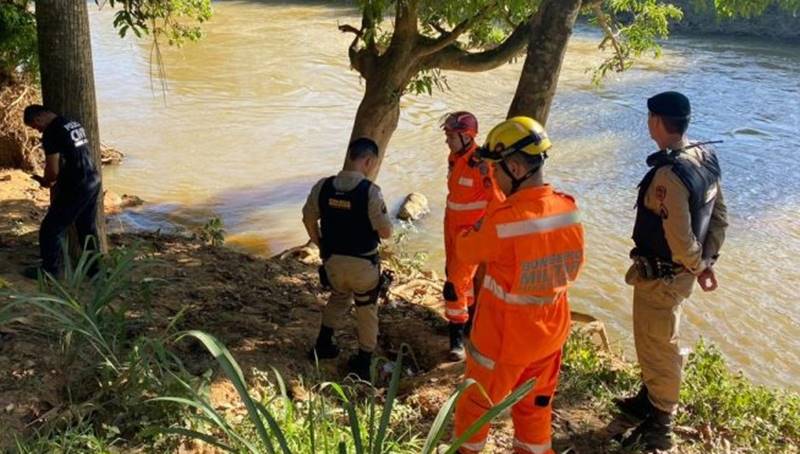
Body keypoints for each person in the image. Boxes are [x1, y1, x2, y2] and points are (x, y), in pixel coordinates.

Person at [451, 117, 585, 454]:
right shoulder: (568, 209)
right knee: (535, 410)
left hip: (503, 341)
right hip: (549, 337)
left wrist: (491, 211)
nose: (493, 176)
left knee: (475, 410)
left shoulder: (504, 221)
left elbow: (465, 249)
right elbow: (573, 266)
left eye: (496, 169)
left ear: (514, 167)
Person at [615, 91, 728, 450]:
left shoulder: (669, 175)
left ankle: (661, 425)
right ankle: (649, 398)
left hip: (664, 277)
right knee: (654, 340)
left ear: (656, 121)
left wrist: (698, 265)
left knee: (660, 345)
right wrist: (707, 261)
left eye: (649, 118)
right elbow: (719, 216)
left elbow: (679, 239)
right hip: (679, 273)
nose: (648, 123)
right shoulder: (704, 156)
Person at [302, 137, 393, 380]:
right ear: (368, 161)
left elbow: (308, 218)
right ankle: (363, 362)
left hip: (333, 262)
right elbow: (386, 232)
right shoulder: (370, 192)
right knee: (366, 307)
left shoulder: (323, 186)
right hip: (363, 265)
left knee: (339, 296)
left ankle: (323, 344)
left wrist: (320, 244)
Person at [440, 111, 503, 361]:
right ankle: (468, 324)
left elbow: (496, 201)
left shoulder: (482, 165)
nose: (447, 141)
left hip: (469, 234)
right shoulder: (454, 158)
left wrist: (482, 229)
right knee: (455, 276)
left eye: (450, 136)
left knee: (454, 286)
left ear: (467, 137)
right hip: (451, 226)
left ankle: (456, 340)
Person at [22, 105, 101, 279]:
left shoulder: (51, 132)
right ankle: (95, 270)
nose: (38, 130)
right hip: (93, 179)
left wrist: (47, 181)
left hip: (77, 185)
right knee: (87, 228)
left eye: (35, 126)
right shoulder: (71, 122)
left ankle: (50, 272)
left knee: (50, 229)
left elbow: (53, 170)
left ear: (39, 117)